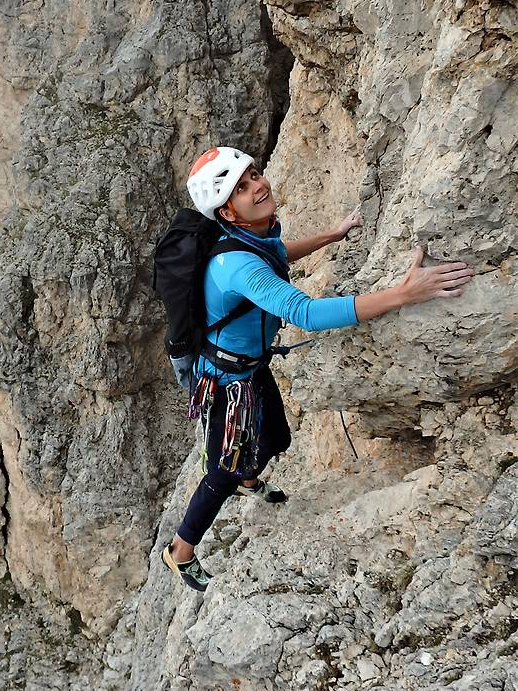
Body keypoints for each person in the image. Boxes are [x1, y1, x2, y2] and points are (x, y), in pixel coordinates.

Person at [162, 145, 473, 591]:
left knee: (277, 438)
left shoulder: (251, 238)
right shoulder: (236, 265)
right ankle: (181, 550)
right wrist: (403, 294)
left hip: (250, 368)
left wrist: (331, 236)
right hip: (227, 382)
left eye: (253, 175)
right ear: (228, 212)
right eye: (243, 187)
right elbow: (305, 313)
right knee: (222, 472)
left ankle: (249, 476)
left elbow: (277, 256)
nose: (258, 185)